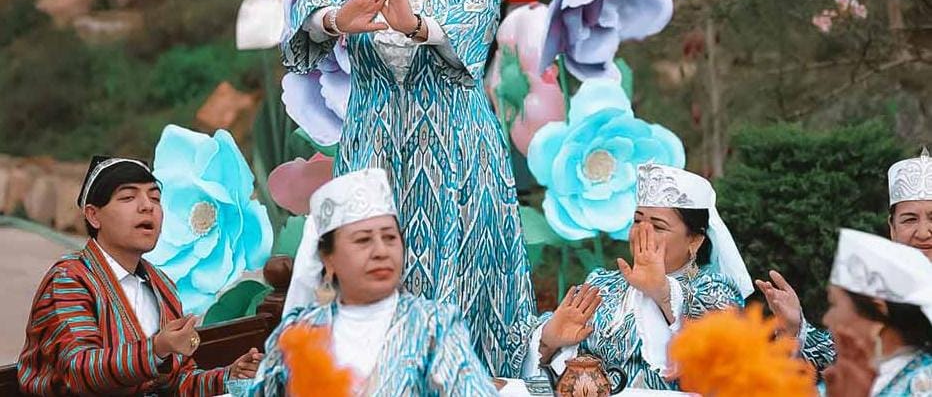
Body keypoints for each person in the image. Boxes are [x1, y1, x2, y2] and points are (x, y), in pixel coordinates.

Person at [281, 0, 535, 376]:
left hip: (458, 148)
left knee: (463, 269)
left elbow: (470, 32)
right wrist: (336, 19)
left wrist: (414, 25)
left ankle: (467, 380)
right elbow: (303, 15)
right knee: (368, 258)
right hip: (375, 144)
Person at [17, 156, 260, 396]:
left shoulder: (162, 285)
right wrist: (155, 349)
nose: (148, 206)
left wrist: (230, 375)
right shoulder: (69, 278)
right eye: (128, 197)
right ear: (93, 215)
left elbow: (177, 382)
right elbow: (80, 370)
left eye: (155, 197)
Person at [249, 169, 499, 396]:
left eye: (390, 237)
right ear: (329, 259)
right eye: (363, 240)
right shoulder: (300, 331)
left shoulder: (433, 326)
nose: (381, 251)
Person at [519, 163, 752, 391]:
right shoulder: (600, 285)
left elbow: (723, 349)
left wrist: (661, 290)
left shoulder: (714, 290)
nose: (643, 232)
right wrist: (548, 340)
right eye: (638, 221)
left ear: (695, 240)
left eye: (658, 227)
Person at [758, 147, 932, 372]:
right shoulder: (874, 294)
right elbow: (838, 358)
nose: (923, 232)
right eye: (910, 219)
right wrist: (796, 326)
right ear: (892, 228)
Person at [821, 229, 932, 396]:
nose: (826, 319)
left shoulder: (923, 384)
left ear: (878, 309)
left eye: (833, 304)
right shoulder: (837, 382)